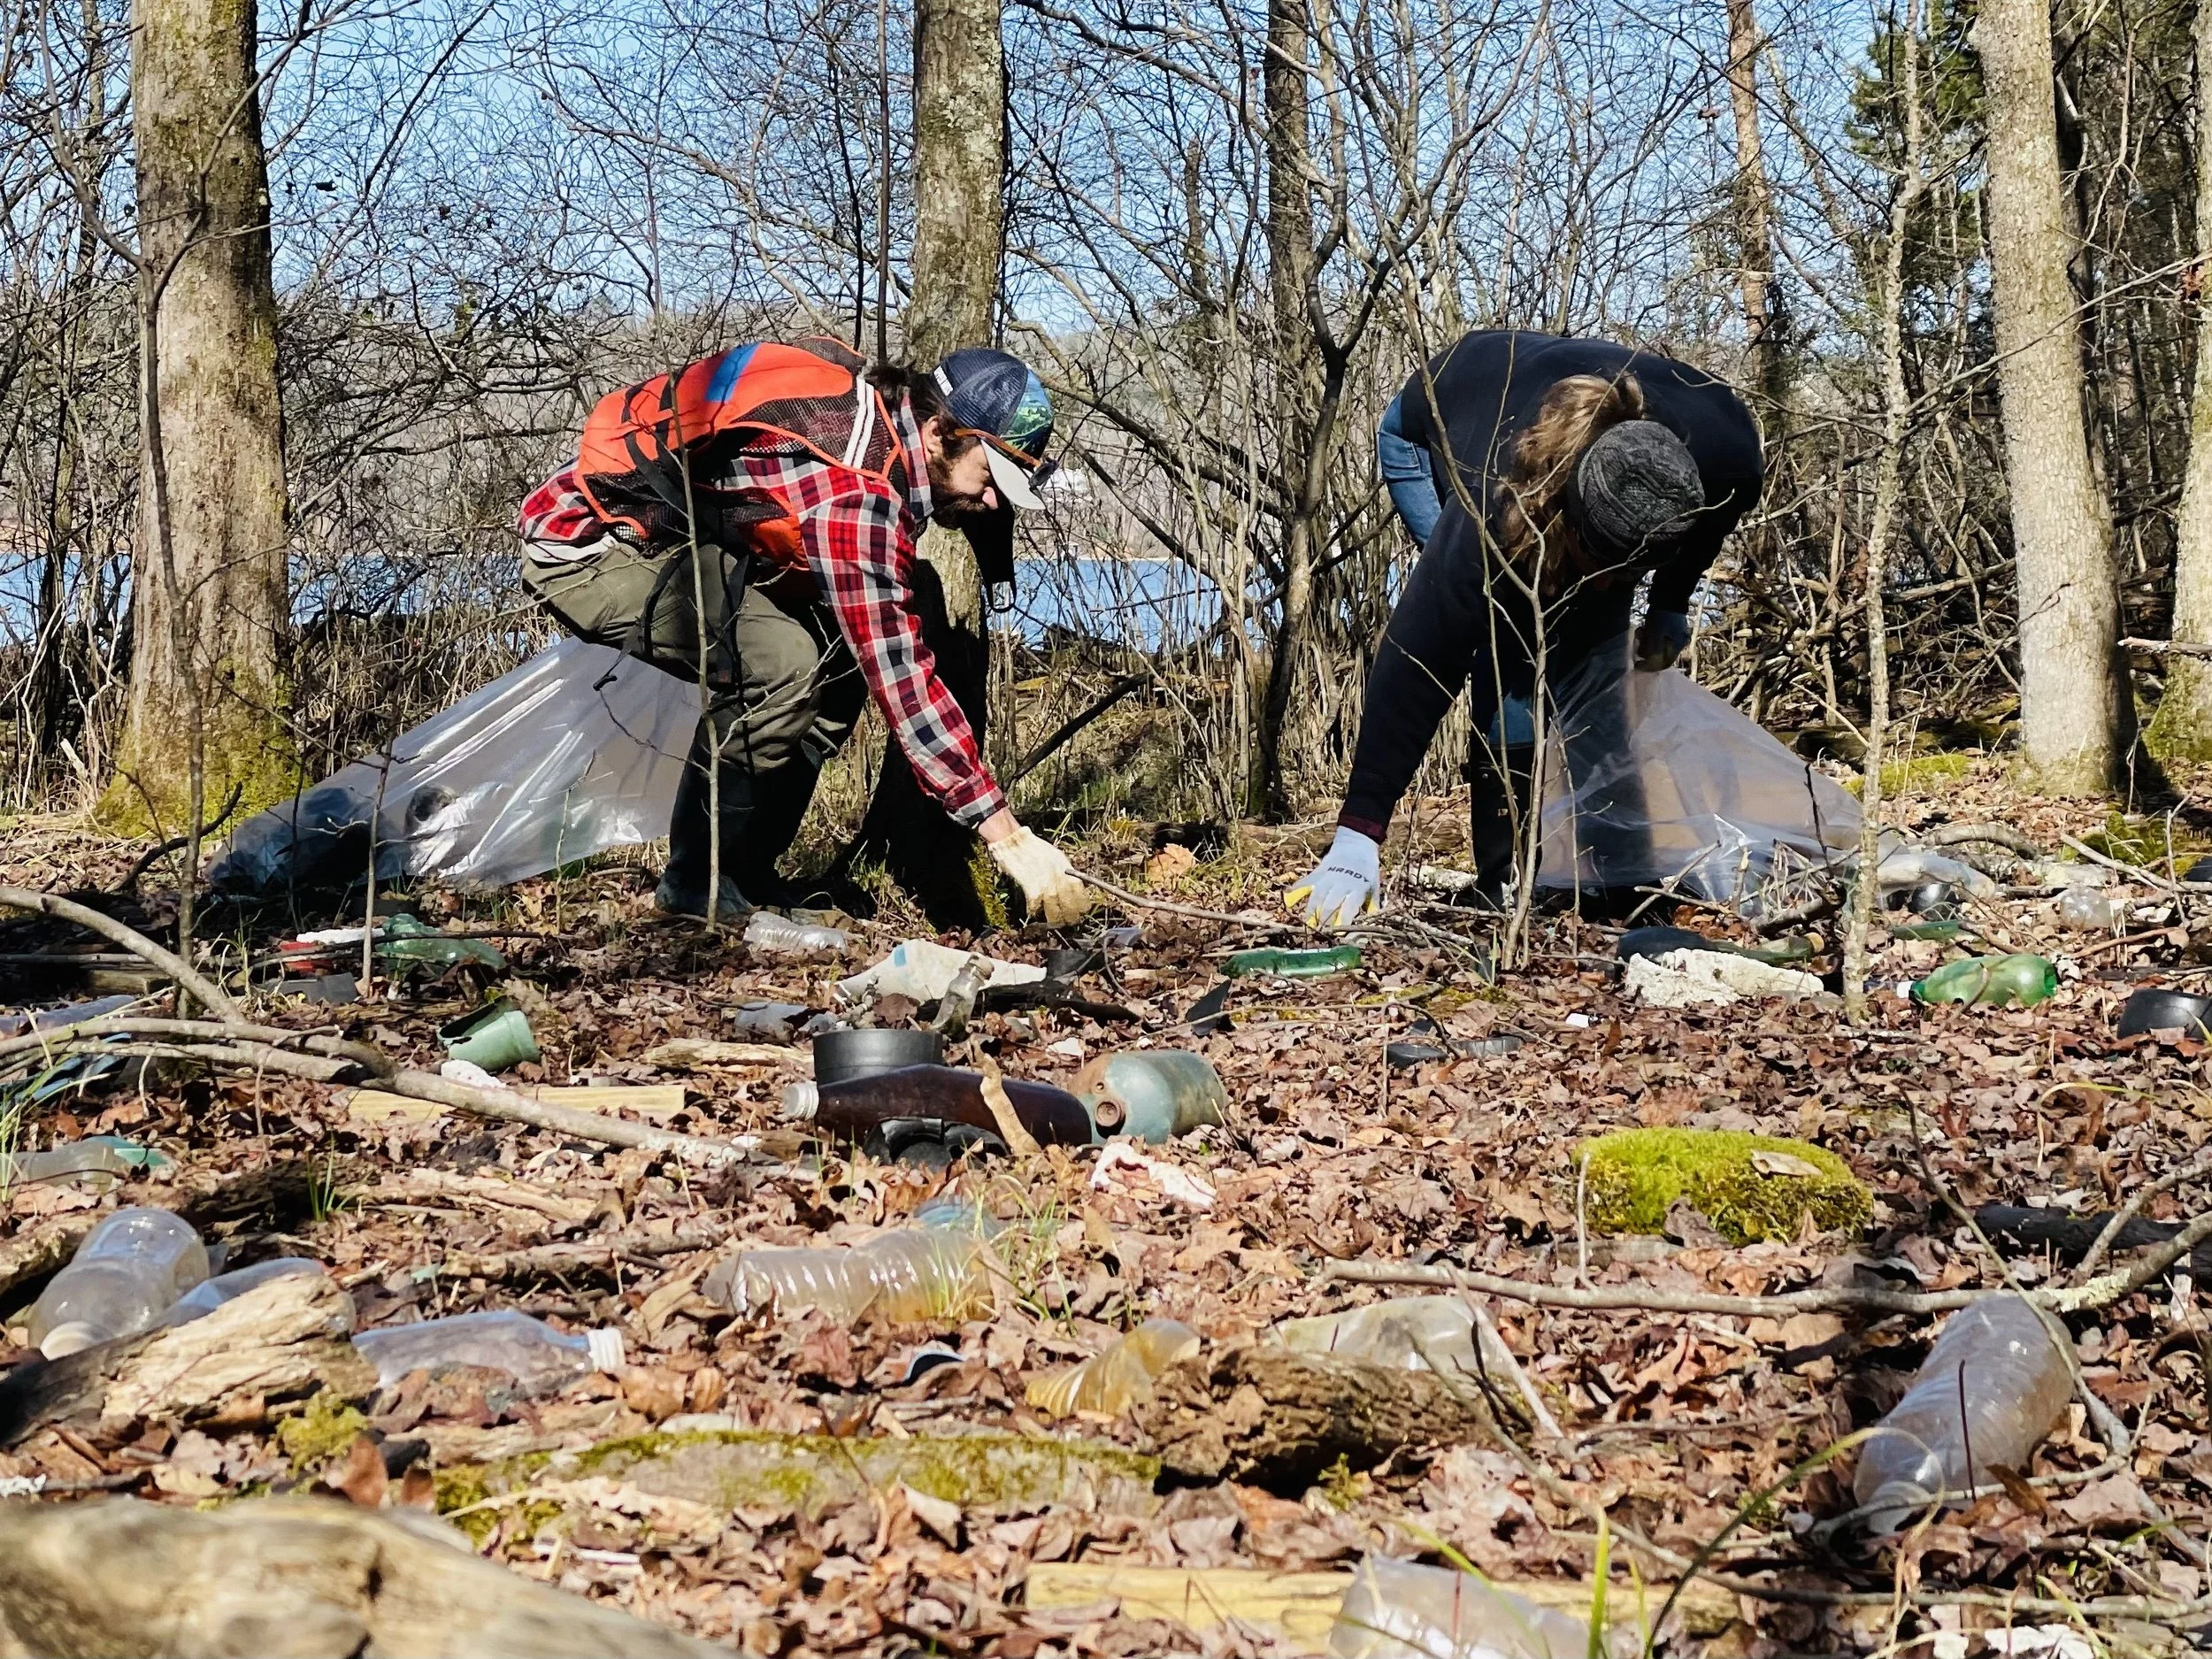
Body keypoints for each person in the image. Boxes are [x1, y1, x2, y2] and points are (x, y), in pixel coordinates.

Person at [516, 337, 1092, 925]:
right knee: (783, 664)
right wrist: (1006, 836)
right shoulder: (861, 493)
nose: (994, 501)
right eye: (989, 476)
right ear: (940, 432)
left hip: (664, 539)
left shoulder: (889, 439)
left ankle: (748, 873)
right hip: (581, 545)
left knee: (836, 666)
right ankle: (695, 884)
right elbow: (906, 687)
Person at [1289, 329, 1763, 925]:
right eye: (1602, 568)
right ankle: (1505, 880)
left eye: (1630, 574)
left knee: (1597, 663)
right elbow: (1418, 661)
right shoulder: (1497, 499)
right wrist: (1359, 835)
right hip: (1419, 427)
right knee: (1500, 630)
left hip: (1571, 423)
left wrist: (1668, 604)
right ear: (1565, 512)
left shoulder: (1725, 456)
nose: (1609, 587)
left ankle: (1620, 872)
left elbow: (1701, 533)